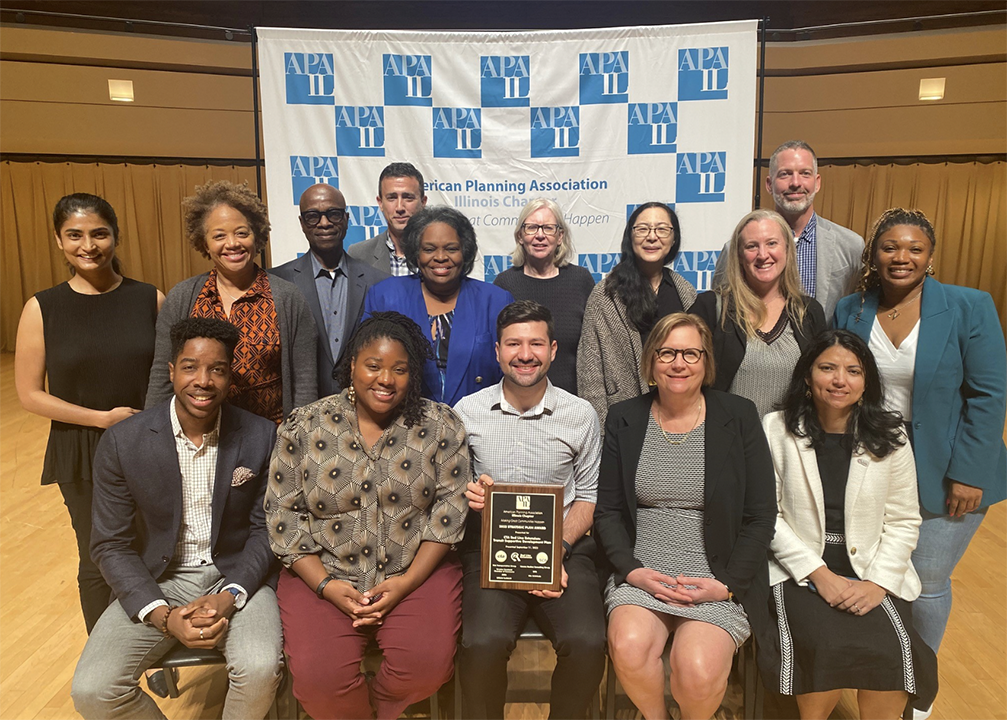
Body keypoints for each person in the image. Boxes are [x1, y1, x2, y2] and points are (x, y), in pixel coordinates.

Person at [834, 208, 1006, 712]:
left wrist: (968, 473)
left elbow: (989, 395)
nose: (901, 257)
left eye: (914, 248)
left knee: (927, 583)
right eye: (890, 247)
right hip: (873, 461)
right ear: (873, 255)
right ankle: (885, 669)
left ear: (930, 256)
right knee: (875, 570)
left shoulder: (969, 307)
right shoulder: (851, 309)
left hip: (949, 466)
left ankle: (918, 691)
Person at [71, 317, 282, 720]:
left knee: (259, 667)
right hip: (157, 580)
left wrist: (230, 594)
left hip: (235, 575)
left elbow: (265, 529)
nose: (203, 380)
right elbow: (110, 543)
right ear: (171, 371)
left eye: (217, 369)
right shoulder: (123, 441)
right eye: (190, 367)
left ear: (230, 374)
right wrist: (163, 616)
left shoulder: (260, 435)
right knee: (93, 691)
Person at [266, 312, 470, 719]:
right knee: (318, 680)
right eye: (373, 366)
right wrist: (324, 585)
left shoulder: (440, 423)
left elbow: (449, 513)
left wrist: (406, 582)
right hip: (323, 573)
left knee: (427, 667)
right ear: (352, 366)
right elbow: (282, 516)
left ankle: (381, 710)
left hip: (414, 572)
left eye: (400, 369)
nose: (386, 380)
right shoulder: (305, 424)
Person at [595, 313, 775, 720]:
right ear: (651, 361)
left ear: (706, 361)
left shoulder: (739, 415)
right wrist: (632, 571)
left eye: (691, 353)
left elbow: (761, 516)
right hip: (644, 572)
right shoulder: (624, 417)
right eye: (667, 353)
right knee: (628, 645)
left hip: (716, 575)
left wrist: (726, 585)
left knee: (695, 669)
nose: (679, 363)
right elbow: (607, 511)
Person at [759, 329, 938, 718]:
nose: (840, 380)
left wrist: (877, 583)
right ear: (807, 376)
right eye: (827, 368)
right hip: (800, 572)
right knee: (826, 648)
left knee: (888, 656)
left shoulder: (890, 434)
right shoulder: (775, 428)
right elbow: (766, 516)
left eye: (853, 371)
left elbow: (905, 519)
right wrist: (818, 574)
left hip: (873, 571)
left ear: (866, 381)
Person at [14, 193, 164, 634]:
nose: (89, 245)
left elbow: (169, 373)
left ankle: (156, 647)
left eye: (99, 233)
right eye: (74, 235)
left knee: (153, 550)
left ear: (115, 236)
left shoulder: (148, 299)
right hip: (82, 447)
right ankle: (108, 661)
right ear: (59, 241)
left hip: (146, 443)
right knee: (99, 555)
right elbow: (28, 394)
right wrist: (101, 419)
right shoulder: (42, 307)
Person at [455, 300, 606, 720]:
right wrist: (472, 498)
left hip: (564, 550)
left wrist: (553, 552)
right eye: (514, 344)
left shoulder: (581, 415)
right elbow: (451, 492)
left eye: (536, 343)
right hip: (490, 552)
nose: (526, 354)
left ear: (553, 350)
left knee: (588, 642)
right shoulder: (467, 413)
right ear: (498, 351)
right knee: (480, 643)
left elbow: (589, 496)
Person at [146, 180, 317, 420]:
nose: (232, 243)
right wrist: (153, 435)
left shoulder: (288, 298)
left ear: (256, 236)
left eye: (241, 233)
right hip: (197, 435)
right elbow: (162, 377)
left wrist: (298, 440)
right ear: (204, 242)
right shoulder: (182, 298)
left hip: (271, 438)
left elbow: (305, 381)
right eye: (219, 236)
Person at [363, 206, 514, 406]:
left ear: (465, 252)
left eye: (451, 249)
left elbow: (511, 373)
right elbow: (367, 369)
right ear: (416, 254)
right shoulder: (384, 297)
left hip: (476, 425)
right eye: (429, 249)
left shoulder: (496, 301)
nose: (441, 257)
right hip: (403, 425)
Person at [692, 209, 826, 417]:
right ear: (739, 254)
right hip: (729, 442)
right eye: (752, 246)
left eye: (772, 243)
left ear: (788, 249)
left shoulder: (809, 312)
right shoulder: (711, 307)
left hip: (789, 445)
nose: (763, 255)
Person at [578, 202, 697, 429]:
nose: (652, 237)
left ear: (673, 239)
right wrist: (601, 432)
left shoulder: (687, 293)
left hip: (679, 416)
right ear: (630, 237)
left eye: (662, 229)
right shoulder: (605, 295)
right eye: (642, 229)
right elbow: (589, 373)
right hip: (623, 420)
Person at [712, 140, 863, 319]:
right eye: (785, 174)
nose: (795, 183)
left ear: (817, 182)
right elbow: (719, 312)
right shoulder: (735, 249)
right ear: (769, 184)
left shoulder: (851, 246)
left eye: (805, 174)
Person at [271, 183, 388, 397]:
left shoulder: (378, 282)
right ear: (302, 223)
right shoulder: (278, 281)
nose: (324, 223)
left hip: (363, 412)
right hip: (304, 413)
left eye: (333, 214)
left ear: (346, 219)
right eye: (313, 216)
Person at [493, 199, 595, 394]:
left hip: (572, 402)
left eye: (548, 228)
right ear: (520, 236)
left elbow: (594, 350)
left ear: (560, 236)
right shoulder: (504, 284)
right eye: (531, 228)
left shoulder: (581, 280)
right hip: (517, 401)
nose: (540, 235)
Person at [348, 162, 428, 276]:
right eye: (392, 198)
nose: (400, 207)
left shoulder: (441, 254)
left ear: (423, 202)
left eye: (408, 198)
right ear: (380, 203)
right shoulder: (358, 255)